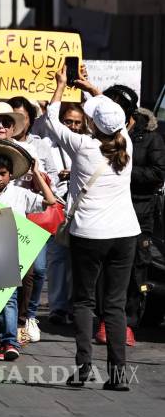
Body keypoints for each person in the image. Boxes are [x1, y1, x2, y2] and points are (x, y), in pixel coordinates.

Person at [47, 64, 139, 391]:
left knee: (84, 302)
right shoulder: (125, 142)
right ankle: (117, 376)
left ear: (92, 123)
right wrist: (90, 87)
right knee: (114, 305)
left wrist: (62, 84)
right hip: (126, 233)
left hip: (89, 234)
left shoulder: (84, 146)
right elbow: (111, 117)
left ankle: (84, 366)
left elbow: (51, 117)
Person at [0, 140, 58, 361]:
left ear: (10, 174)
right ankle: (2, 335)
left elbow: (50, 201)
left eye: (2, 173)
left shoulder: (20, 194)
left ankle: (9, 341)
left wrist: (37, 174)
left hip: (17, 253)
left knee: (9, 298)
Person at [104, 84, 165, 340]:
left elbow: (158, 173)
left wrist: (125, 172)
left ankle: (126, 322)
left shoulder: (150, 137)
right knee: (105, 265)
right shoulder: (101, 135)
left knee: (134, 266)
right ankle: (105, 320)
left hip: (139, 210)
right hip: (106, 209)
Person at [46, 102, 86, 326]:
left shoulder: (88, 144)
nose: (72, 126)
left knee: (77, 260)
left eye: (77, 122)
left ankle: (74, 305)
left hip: (81, 208)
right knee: (58, 258)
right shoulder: (47, 144)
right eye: (68, 121)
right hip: (58, 206)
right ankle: (58, 307)